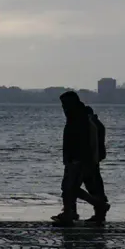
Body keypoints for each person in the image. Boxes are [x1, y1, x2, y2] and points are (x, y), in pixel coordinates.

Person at [52, 91, 108, 226]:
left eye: (64, 104)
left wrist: (73, 158)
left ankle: (91, 208)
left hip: (79, 158)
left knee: (70, 187)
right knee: (91, 186)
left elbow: (77, 140)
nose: (63, 107)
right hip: (88, 158)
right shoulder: (87, 117)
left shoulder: (77, 119)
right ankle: (76, 211)